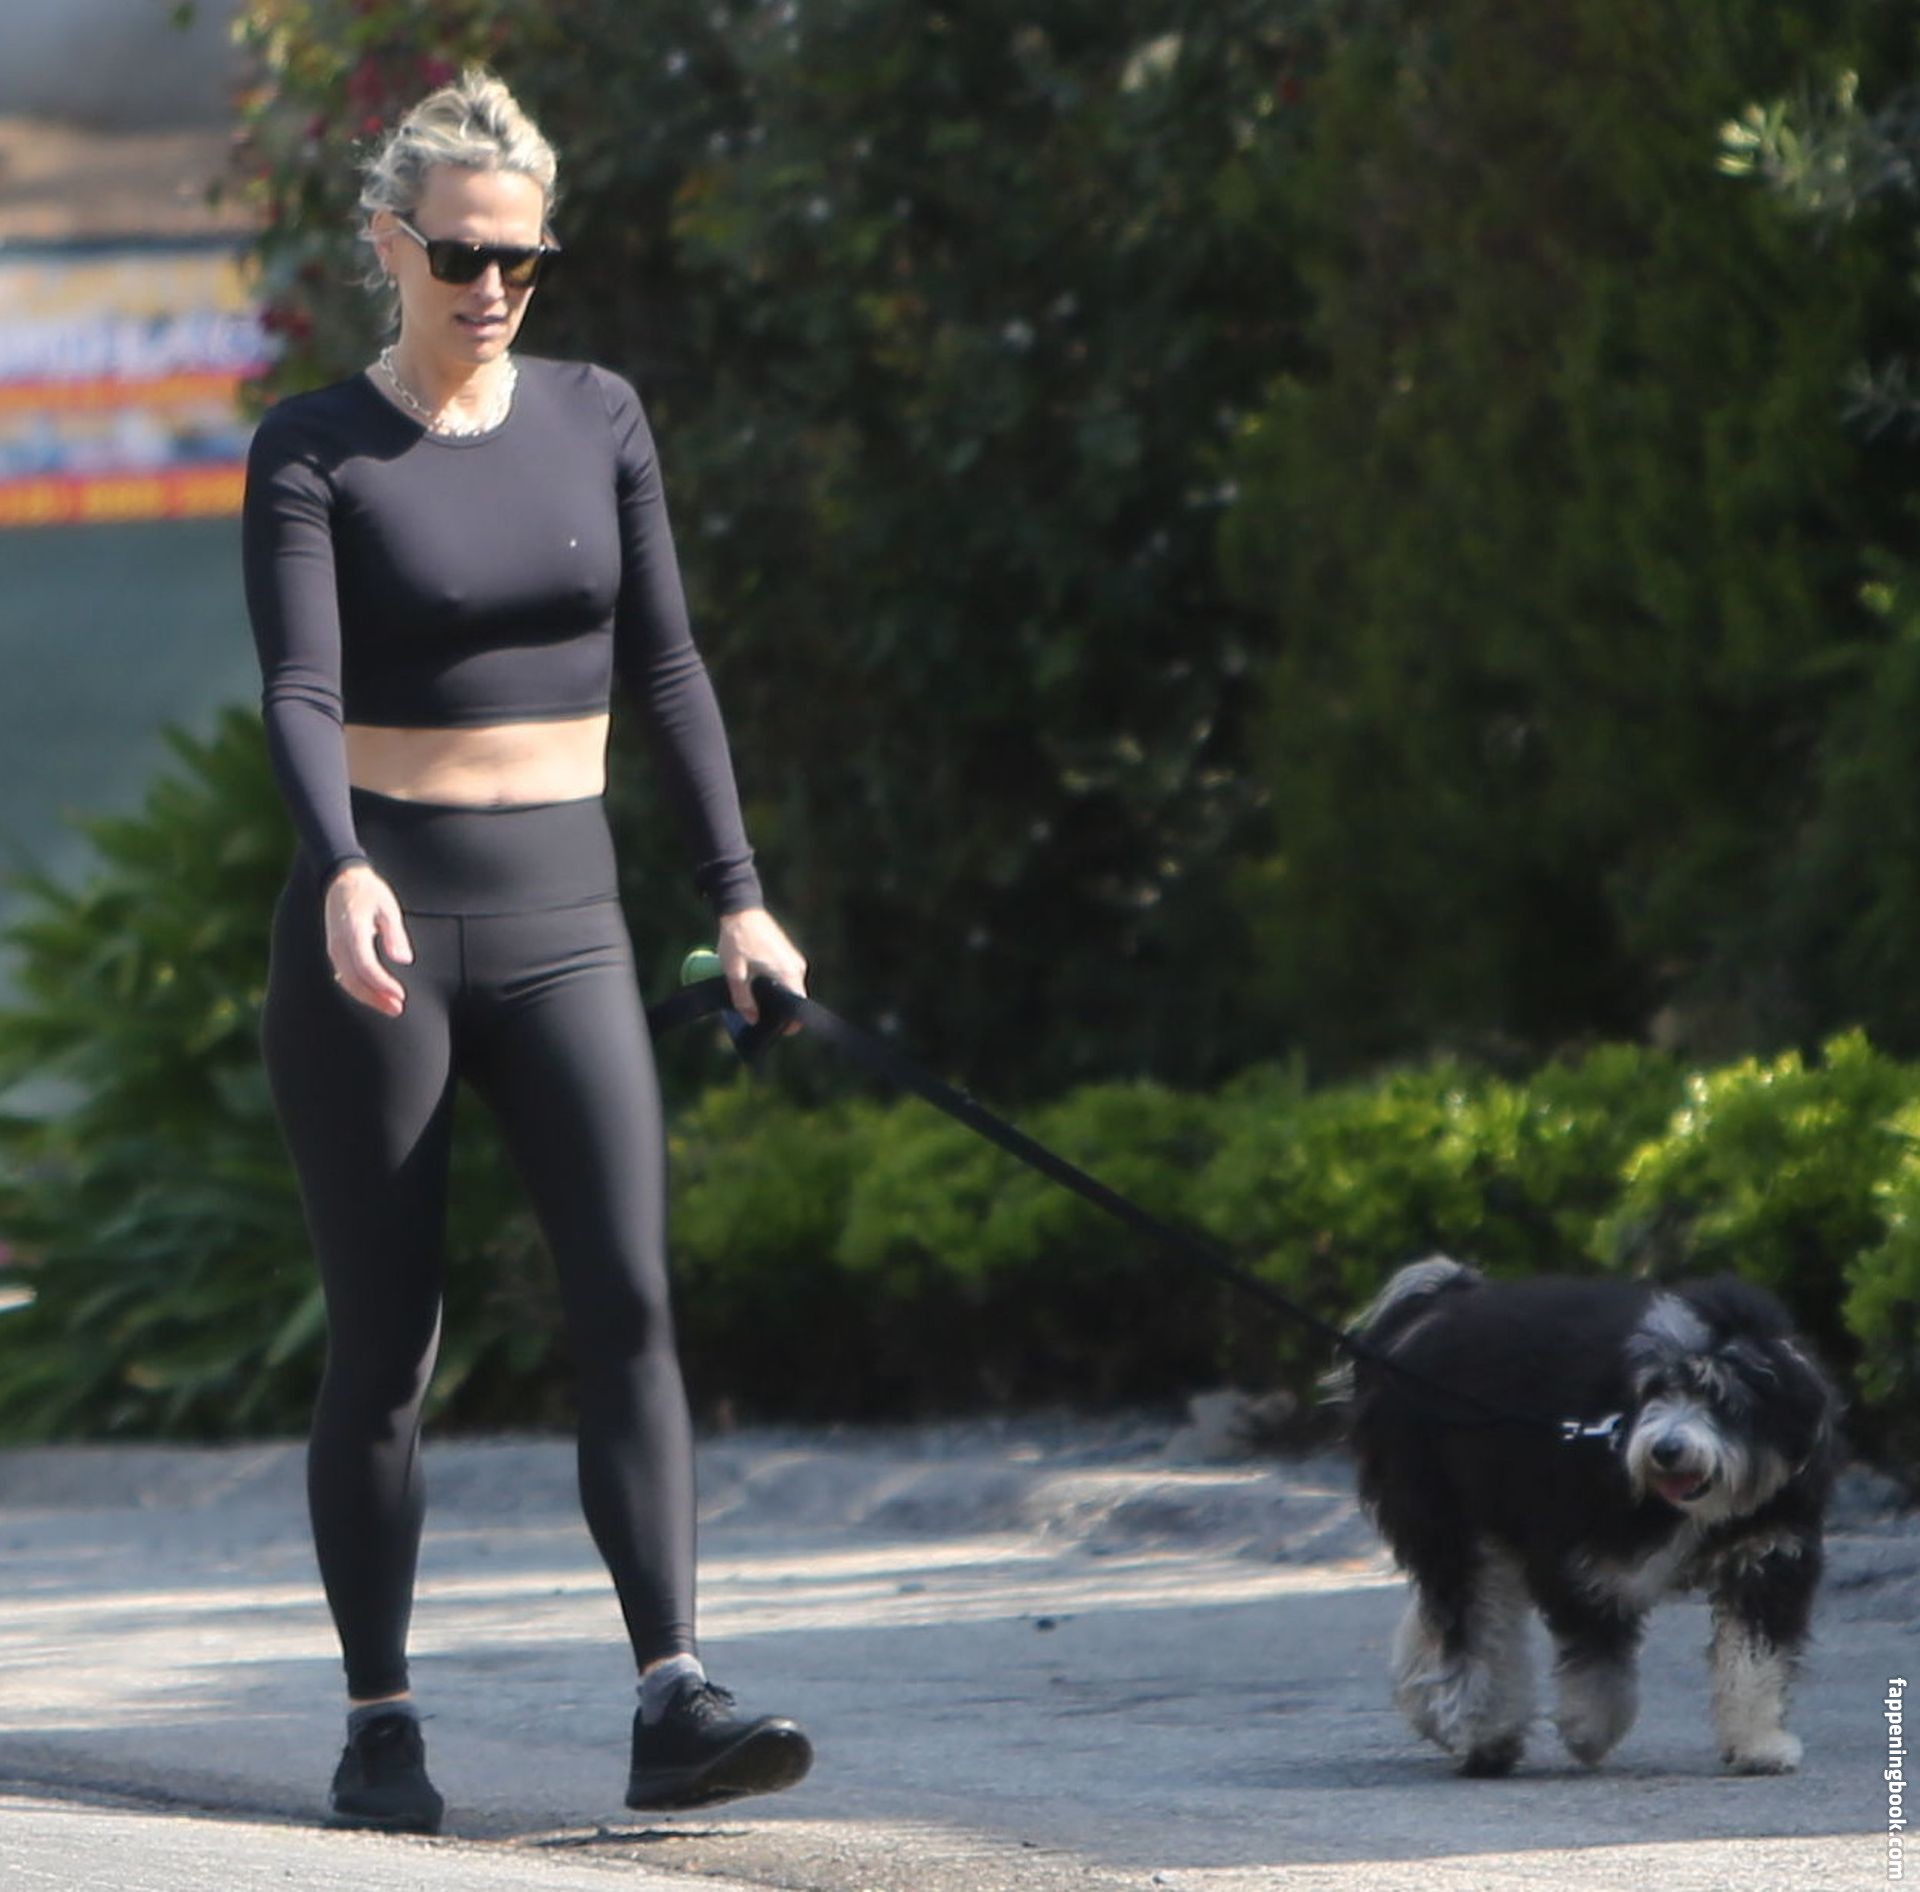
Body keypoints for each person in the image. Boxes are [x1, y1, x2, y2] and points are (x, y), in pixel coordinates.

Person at [241, 67, 812, 1835]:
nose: (495, 286)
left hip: (570, 917)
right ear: (391, 244)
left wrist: (737, 895)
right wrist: (339, 864)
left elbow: (669, 667)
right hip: (385, 927)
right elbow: (301, 687)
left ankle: (672, 1696)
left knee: (630, 1300)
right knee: (388, 1346)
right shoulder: (314, 447)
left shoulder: (597, 415)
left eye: (525, 258)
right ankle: (380, 1722)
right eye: (464, 255)